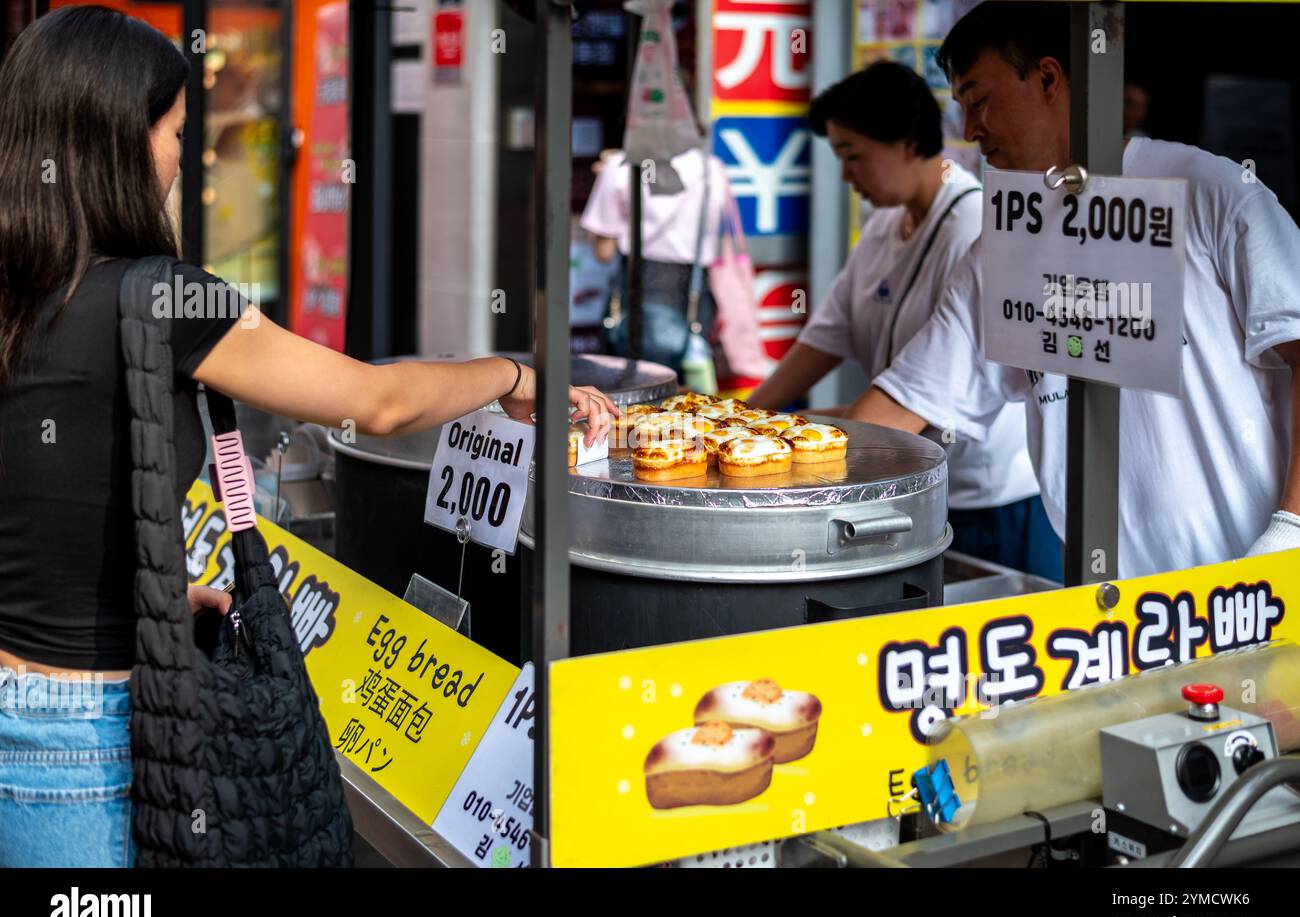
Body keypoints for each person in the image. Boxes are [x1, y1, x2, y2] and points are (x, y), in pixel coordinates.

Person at [0, 6, 616, 867]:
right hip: (87, 741)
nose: (182, 161)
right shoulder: (164, 297)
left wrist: (140, 593)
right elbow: (376, 400)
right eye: (176, 134)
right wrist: (513, 377)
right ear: (120, 141)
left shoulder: (19, 292)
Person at [849, 2, 1300, 579]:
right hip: (1111, 605)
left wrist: (1289, 530)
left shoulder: (1210, 191)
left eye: (978, 99)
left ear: (1047, 78)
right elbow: (906, 401)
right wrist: (784, 470)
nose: (968, 130)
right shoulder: (1004, 246)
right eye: (960, 108)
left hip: (1256, 583)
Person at [746, 62, 1057, 580]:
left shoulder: (975, 232)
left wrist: (786, 433)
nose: (846, 175)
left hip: (989, 501)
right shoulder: (884, 225)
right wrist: (748, 417)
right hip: (908, 481)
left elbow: (922, 404)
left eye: (853, 156)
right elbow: (827, 335)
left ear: (908, 144)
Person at [580, 142, 731, 375]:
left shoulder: (619, 167)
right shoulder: (711, 168)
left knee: (640, 391)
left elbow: (604, 251)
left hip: (640, 294)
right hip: (695, 295)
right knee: (688, 392)